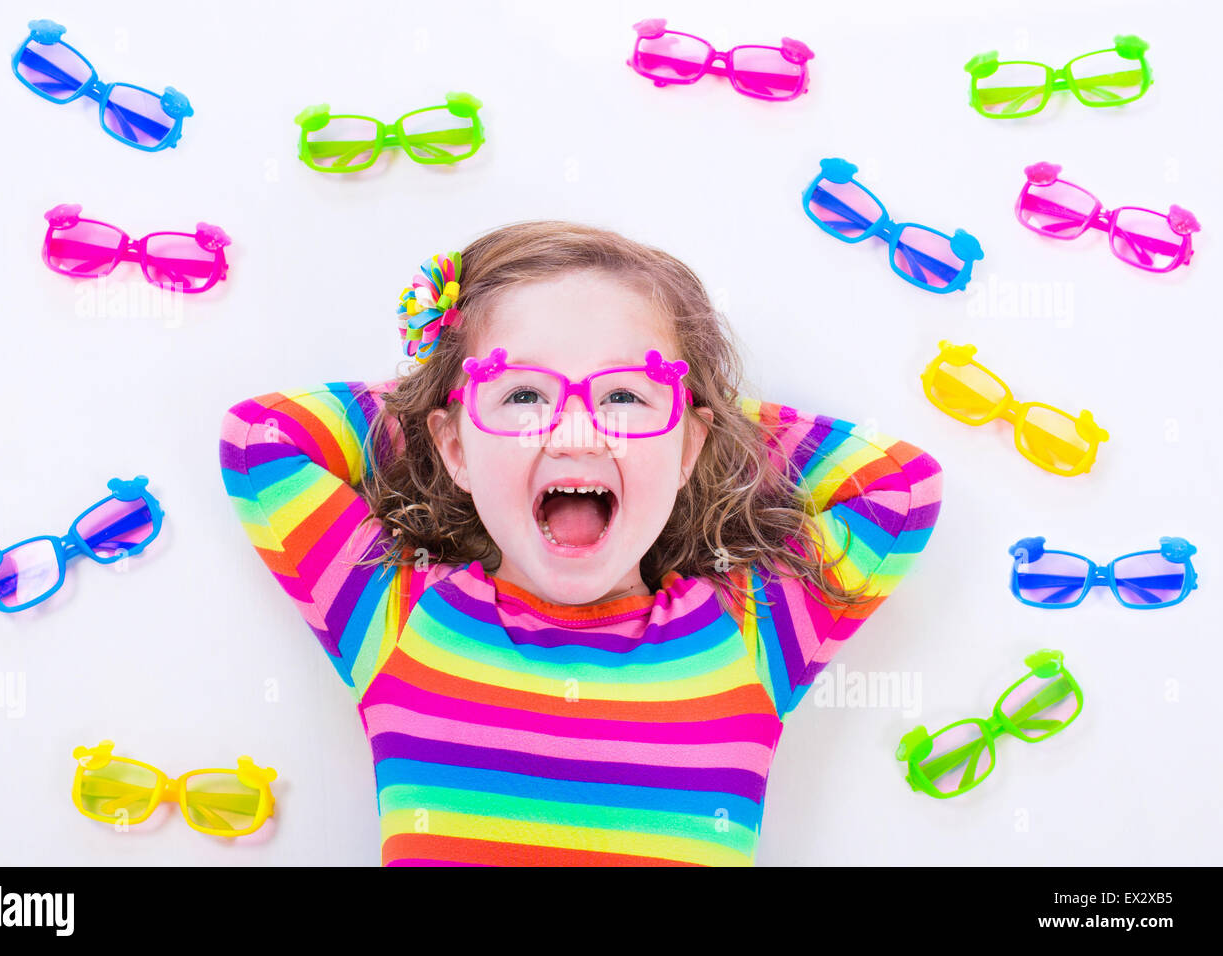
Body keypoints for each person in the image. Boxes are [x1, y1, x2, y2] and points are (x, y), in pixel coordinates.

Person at [219, 220, 943, 865]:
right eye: (524, 395)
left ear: (691, 443)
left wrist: (705, 417)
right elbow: (261, 441)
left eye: (624, 396)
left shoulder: (749, 633)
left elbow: (901, 488)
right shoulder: (402, 616)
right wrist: (449, 409)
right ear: (453, 447)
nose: (575, 432)